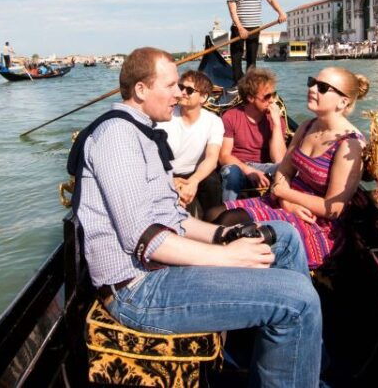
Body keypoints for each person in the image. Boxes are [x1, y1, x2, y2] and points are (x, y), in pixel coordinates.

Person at [72, 47, 323, 387]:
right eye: (172, 85)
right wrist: (225, 256)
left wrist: (224, 237)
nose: (179, 93)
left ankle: (286, 354)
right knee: (300, 300)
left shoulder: (142, 132)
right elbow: (142, 237)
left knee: (283, 237)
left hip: (158, 272)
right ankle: (290, 338)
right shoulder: (118, 136)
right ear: (142, 90)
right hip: (139, 290)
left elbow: (173, 217)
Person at [213, 67, 369, 269]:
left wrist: (283, 192)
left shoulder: (350, 145)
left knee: (228, 222)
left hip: (316, 222)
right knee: (213, 214)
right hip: (285, 201)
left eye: (322, 87)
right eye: (312, 82)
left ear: (343, 102)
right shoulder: (307, 126)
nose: (312, 88)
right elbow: (284, 169)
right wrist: (285, 199)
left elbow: (333, 209)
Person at [156, 70, 224, 216]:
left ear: (203, 97)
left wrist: (193, 181)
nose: (183, 93)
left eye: (190, 90)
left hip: (195, 173)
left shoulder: (214, 122)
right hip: (167, 173)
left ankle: (213, 223)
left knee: (212, 183)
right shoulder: (165, 116)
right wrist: (169, 179)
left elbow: (212, 158)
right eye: (181, 88)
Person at [218, 67, 287, 201]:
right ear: (250, 97)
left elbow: (279, 159)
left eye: (274, 94)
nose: (272, 100)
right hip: (237, 165)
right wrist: (249, 171)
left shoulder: (276, 119)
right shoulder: (231, 117)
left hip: (265, 167)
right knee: (232, 174)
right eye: (267, 96)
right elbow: (224, 156)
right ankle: (229, 213)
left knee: (287, 169)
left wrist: (277, 125)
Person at [226, 0, 287, 83]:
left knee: (251, 60)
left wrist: (280, 12)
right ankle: (237, 84)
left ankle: (249, 84)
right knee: (236, 59)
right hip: (238, 28)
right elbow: (233, 11)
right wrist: (240, 28)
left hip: (255, 27)